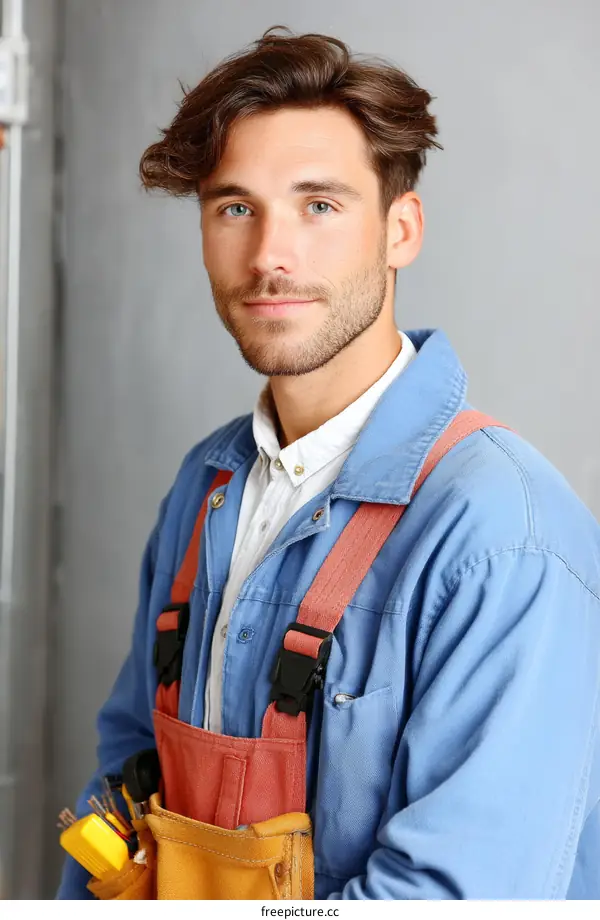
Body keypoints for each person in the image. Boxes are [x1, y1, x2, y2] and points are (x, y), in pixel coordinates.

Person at [58, 26, 600, 900]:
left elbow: (458, 900)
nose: (271, 254)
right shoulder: (206, 489)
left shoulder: (504, 535)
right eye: (236, 207)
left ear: (401, 229)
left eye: (319, 205)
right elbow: (122, 799)